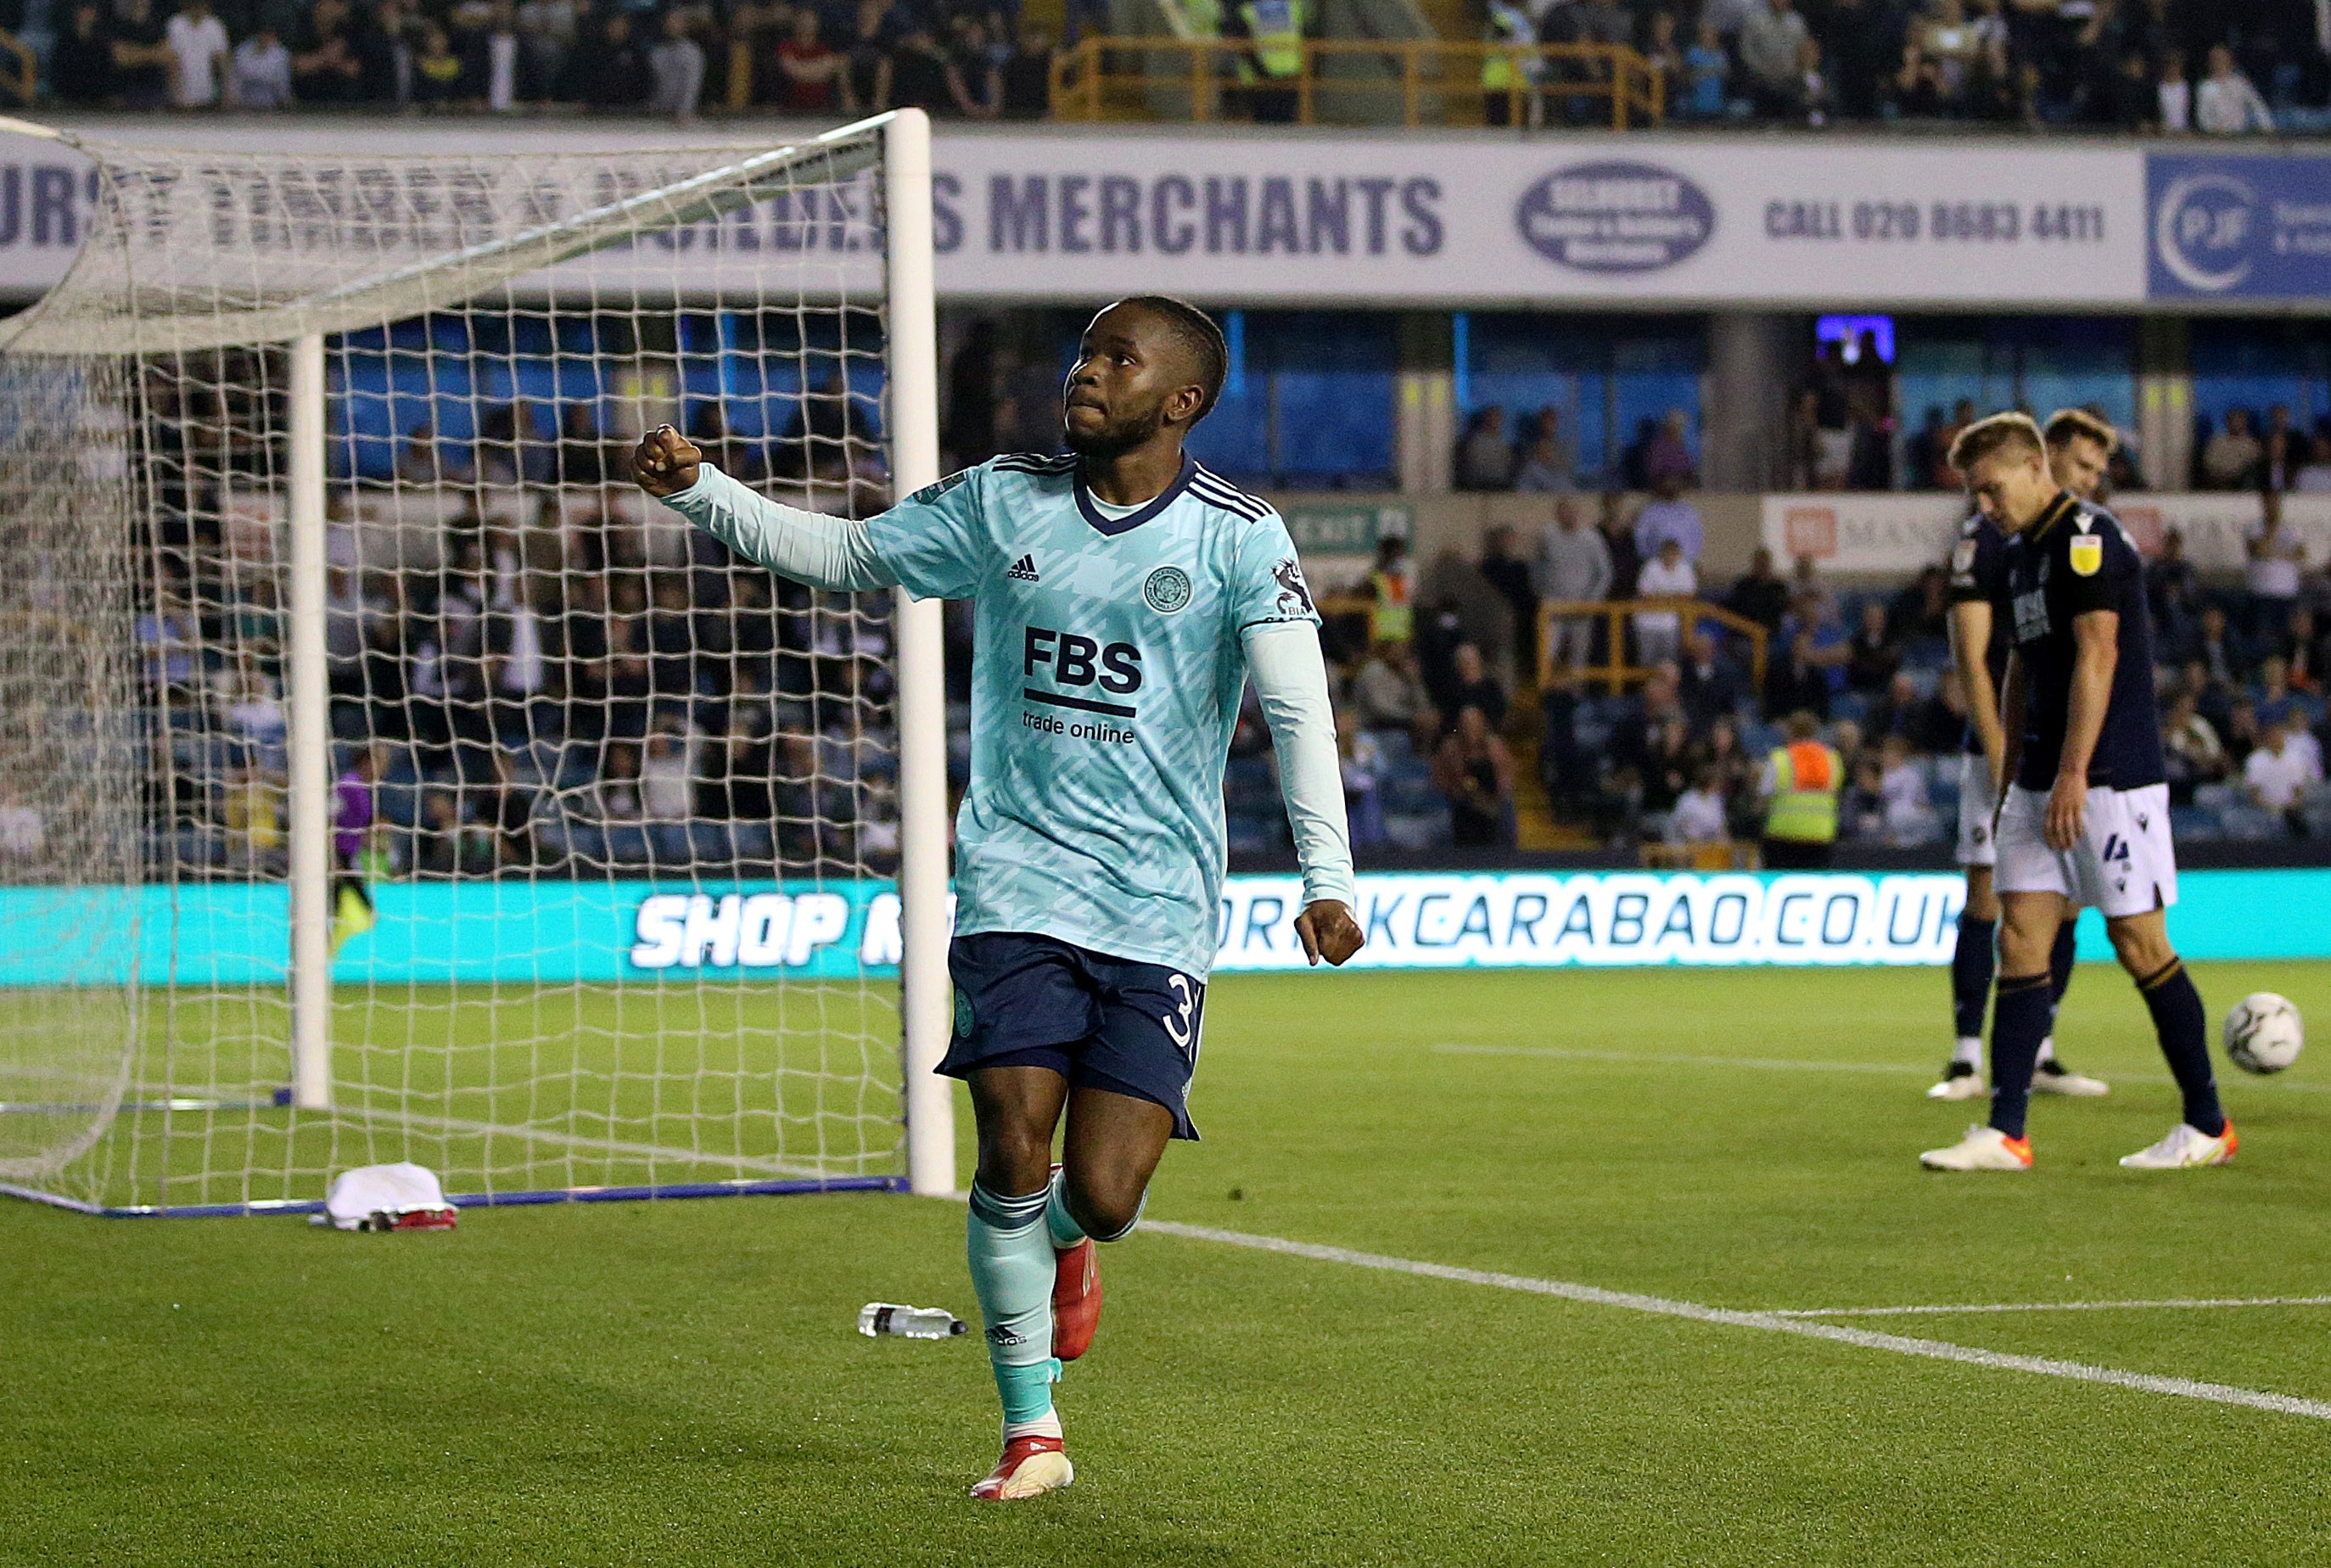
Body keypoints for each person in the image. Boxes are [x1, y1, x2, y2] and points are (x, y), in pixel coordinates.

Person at [636, 295, 1361, 1500]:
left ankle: (1075, 1250)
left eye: (1117, 359)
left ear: (1179, 401)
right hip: (1016, 882)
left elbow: (1295, 711)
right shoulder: (1001, 498)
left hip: (1158, 904)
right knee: (1013, 1141)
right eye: (1084, 353)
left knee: (1100, 1194)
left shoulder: (1240, 536)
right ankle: (1032, 1434)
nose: (1086, 374)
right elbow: (851, 557)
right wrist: (701, 492)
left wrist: (1324, 880)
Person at [1921, 412, 2230, 1173]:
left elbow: (2099, 653)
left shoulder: (2087, 538)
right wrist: (2014, 773)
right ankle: (2005, 1132)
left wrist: (2068, 771)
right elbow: (2022, 665)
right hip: (2035, 777)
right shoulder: (2020, 551)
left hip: (2108, 777)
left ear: (2033, 467)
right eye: (1975, 494)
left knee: (2137, 942)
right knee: (2019, 935)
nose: (1984, 506)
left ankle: (2205, 1124)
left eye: (1991, 489)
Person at [1929, 406, 2115, 1102]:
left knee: (2063, 903)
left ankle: (2039, 1051)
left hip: (2061, 750)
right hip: (2002, 753)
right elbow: (1976, 660)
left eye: (2100, 472)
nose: (2093, 481)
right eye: (2084, 466)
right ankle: (1963, 1056)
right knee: (1987, 896)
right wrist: (2005, 758)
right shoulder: (1988, 539)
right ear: (2048, 457)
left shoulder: (2080, 539)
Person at [1534, 496, 1611, 673]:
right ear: (1557, 514)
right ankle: (1549, 695)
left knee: (1579, 658)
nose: (1567, 515)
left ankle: (1578, 696)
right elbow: (1536, 565)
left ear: (1577, 513)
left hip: (1582, 608)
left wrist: (1592, 601)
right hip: (1553, 606)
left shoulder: (1591, 538)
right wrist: (1540, 592)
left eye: (1570, 511)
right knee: (1547, 654)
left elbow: (1605, 573)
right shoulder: (1547, 536)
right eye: (1562, 511)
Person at [1757, 710, 1840, 868]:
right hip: (1820, 835)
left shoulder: (1780, 759)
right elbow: (1835, 792)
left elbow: (1764, 795)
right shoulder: (1832, 758)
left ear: (1789, 730)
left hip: (1783, 836)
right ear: (1815, 730)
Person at [1432, 705, 1516, 848]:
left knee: (1505, 811)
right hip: (1459, 799)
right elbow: (1442, 781)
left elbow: (1505, 781)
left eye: (1474, 724)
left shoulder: (1496, 748)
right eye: (1466, 725)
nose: (1470, 729)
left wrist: (1491, 802)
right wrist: (1468, 794)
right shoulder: (1450, 748)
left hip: (1492, 799)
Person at [1632, 535, 1695, 669]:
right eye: (1668, 552)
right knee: (1646, 662)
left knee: (1669, 661)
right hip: (1646, 623)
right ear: (1662, 552)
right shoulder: (1651, 567)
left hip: (1670, 623)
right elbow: (1643, 593)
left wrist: (1661, 596)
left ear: (1678, 554)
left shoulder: (1685, 569)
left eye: (1674, 553)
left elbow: (1689, 595)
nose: (1670, 556)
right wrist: (1672, 597)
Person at [164, 0, 232, 107]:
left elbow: (222, 61)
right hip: (182, 95)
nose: (198, 7)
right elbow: (172, 61)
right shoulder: (176, 24)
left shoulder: (215, 25)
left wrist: (227, 93)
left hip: (207, 94)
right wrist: (178, 94)